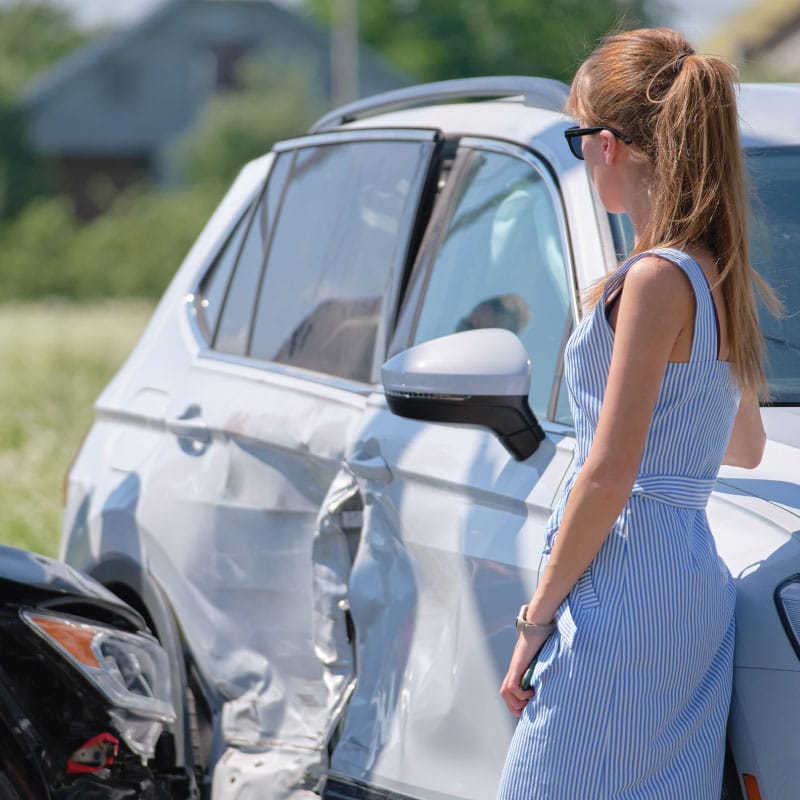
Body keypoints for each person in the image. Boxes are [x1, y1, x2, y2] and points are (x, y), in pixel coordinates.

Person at [497, 27, 777, 799]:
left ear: (608, 144)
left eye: (578, 134)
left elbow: (609, 472)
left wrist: (533, 624)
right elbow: (746, 445)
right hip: (690, 590)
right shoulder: (720, 275)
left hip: (623, 590)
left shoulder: (653, 280)